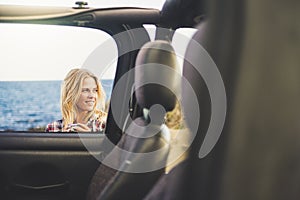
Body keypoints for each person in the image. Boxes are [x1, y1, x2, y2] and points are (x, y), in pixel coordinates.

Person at [45, 68, 107, 133]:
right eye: (85, 90)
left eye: (95, 90)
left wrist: (90, 140)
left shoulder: (104, 125)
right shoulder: (53, 128)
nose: (92, 96)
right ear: (71, 93)